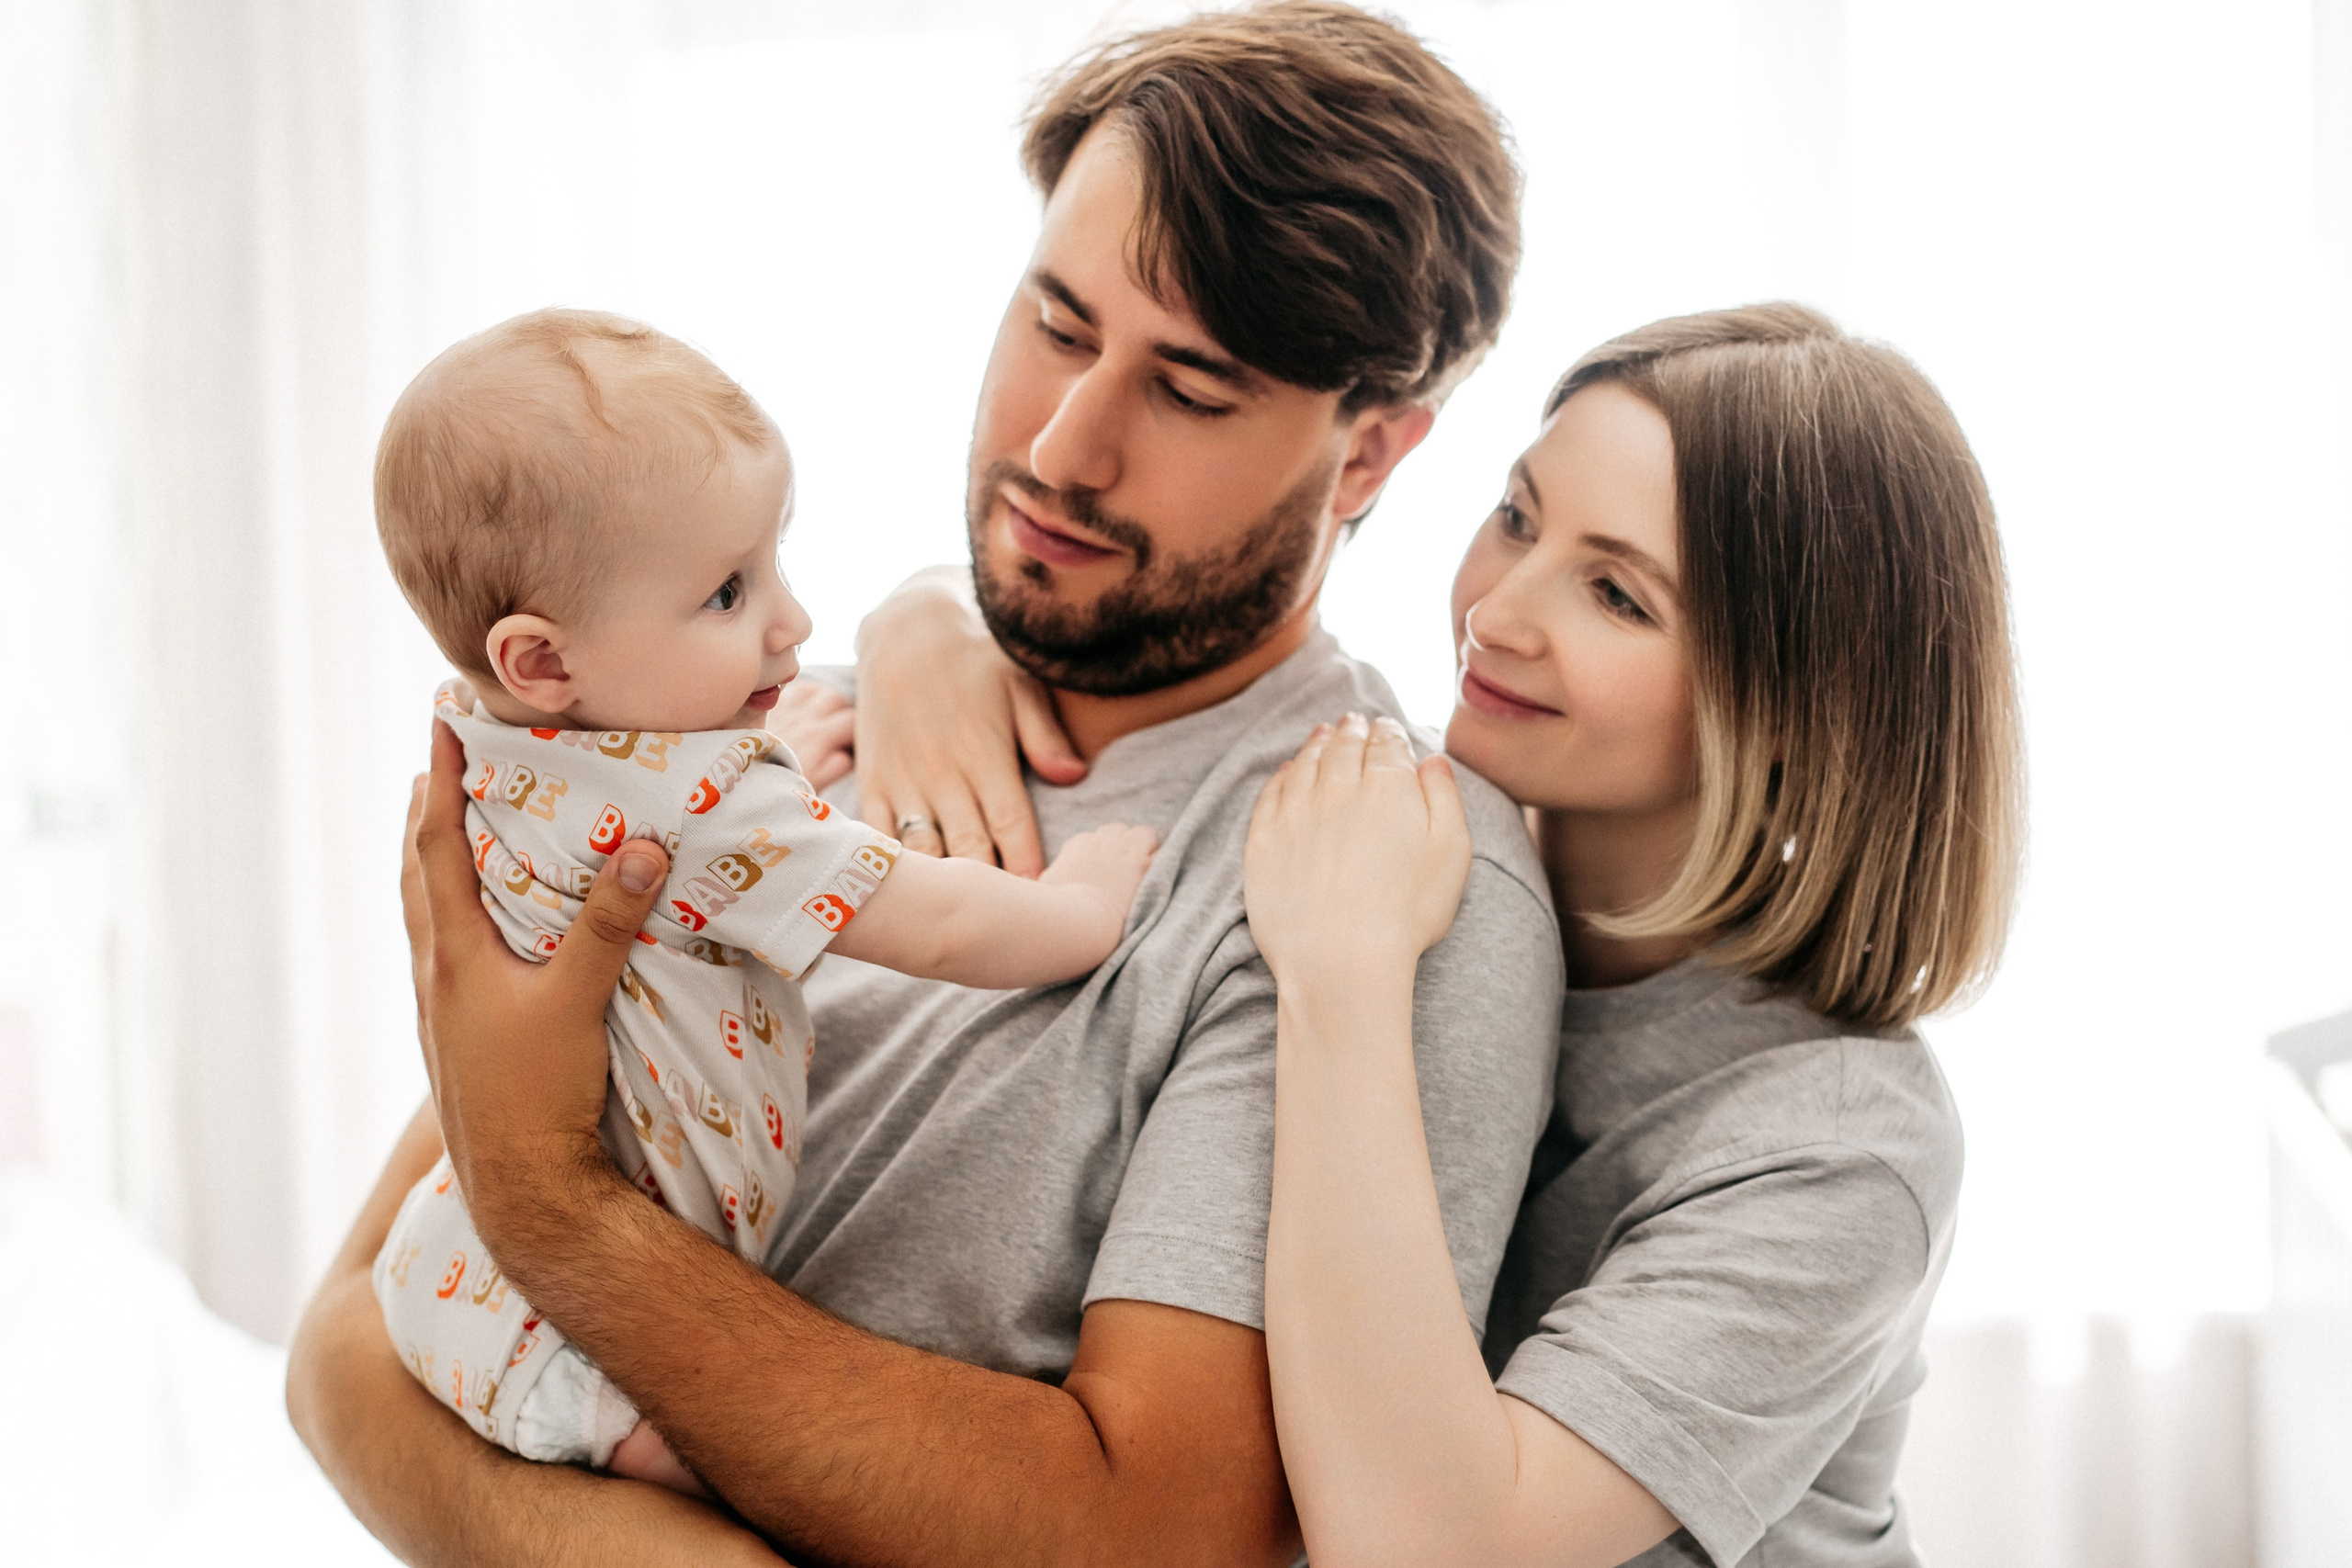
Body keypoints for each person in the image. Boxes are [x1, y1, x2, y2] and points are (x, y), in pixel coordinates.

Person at [286, 6, 1550, 1563]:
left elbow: (1153, 1527)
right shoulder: (744, 711)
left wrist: (558, 1215)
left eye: (1194, 389)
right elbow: (339, 1354)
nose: (1065, 447)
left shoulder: (1374, 877)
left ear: (1368, 460)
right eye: (1060, 324)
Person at [844, 305, 2021, 1566]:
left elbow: (1424, 1549)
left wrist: (1342, 981)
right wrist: (923, 622)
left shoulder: (1840, 1146)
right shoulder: (1417, 830)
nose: (1500, 611)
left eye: (1618, 595)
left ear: (1798, 704)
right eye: (1517, 516)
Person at [365, 308, 1157, 1494]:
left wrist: (762, 728)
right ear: (544, 660)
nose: (792, 621)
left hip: (446, 1268)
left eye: (773, 559)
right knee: (754, 1498)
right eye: (728, 595)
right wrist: (1084, 911)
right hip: (571, 1347)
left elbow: (628, 802)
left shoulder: (489, 732)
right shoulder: (714, 811)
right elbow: (933, 918)